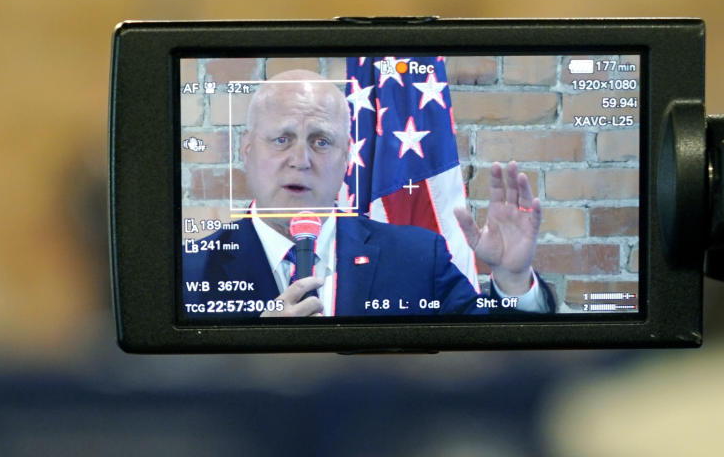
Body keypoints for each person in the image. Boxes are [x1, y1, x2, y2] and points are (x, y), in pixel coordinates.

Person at [183, 69, 552, 317]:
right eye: (282, 139)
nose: (301, 160)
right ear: (247, 150)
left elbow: (493, 369)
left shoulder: (419, 258)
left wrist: (513, 280)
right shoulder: (189, 272)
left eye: (321, 141)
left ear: (346, 159)